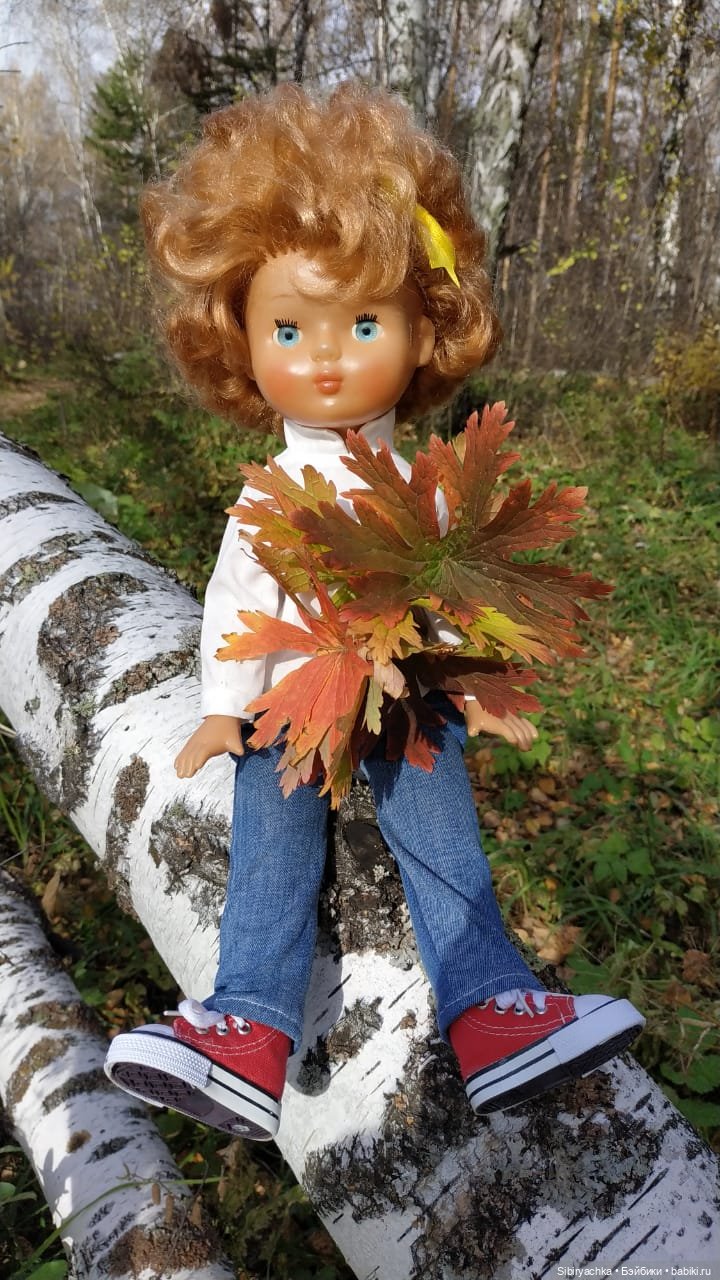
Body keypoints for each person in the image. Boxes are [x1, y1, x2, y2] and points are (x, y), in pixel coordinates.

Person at [105, 82, 643, 1140]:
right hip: (295, 700)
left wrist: (477, 685)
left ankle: (491, 1006)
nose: (326, 356)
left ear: (426, 325)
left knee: (440, 824)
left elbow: (457, 591)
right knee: (271, 835)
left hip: (406, 697)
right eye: (288, 327)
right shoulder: (269, 493)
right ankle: (248, 1026)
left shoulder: (426, 484)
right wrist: (223, 706)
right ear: (238, 340)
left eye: (362, 322)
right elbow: (237, 601)